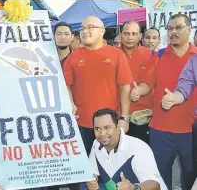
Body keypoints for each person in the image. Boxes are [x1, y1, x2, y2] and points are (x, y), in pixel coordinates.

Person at [63, 16, 133, 156]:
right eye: (82, 28)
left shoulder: (116, 54)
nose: (85, 31)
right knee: (87, 168)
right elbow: (66, 85)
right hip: (82, 123)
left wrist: (124, 118)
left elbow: (125, 87)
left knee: (111, 168)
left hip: (110, 124)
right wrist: (70, 102)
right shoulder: (73, 57)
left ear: (102, 31)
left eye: (90, 27)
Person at [147, 14, 197, 190]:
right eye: (170, 28)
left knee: (191, 178)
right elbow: (148, 83)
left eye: (178, 27)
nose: (173, 32)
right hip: (160, 130)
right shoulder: (158, 56)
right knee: (160, 177)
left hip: (190, 130)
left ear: (189, 30)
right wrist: (138, 91)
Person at [84, 108, 167, 190]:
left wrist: (133, 188)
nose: (102, 134)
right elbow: (93, 172)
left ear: (118, 127)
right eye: (97, 129)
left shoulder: (138, 148)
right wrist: (91, 181)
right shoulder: (96, 144)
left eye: (107, 127)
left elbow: (155, 185)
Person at [120, 21, 154, 144]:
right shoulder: (113, 54)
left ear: (140, 36)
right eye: (126, 33)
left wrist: (138, 90)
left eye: (134, 34)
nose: (130, 37)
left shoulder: (148, 54)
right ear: (120, 35)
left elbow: (150, 81)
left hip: (141, 115)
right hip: (118, 114)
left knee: (141, 152)